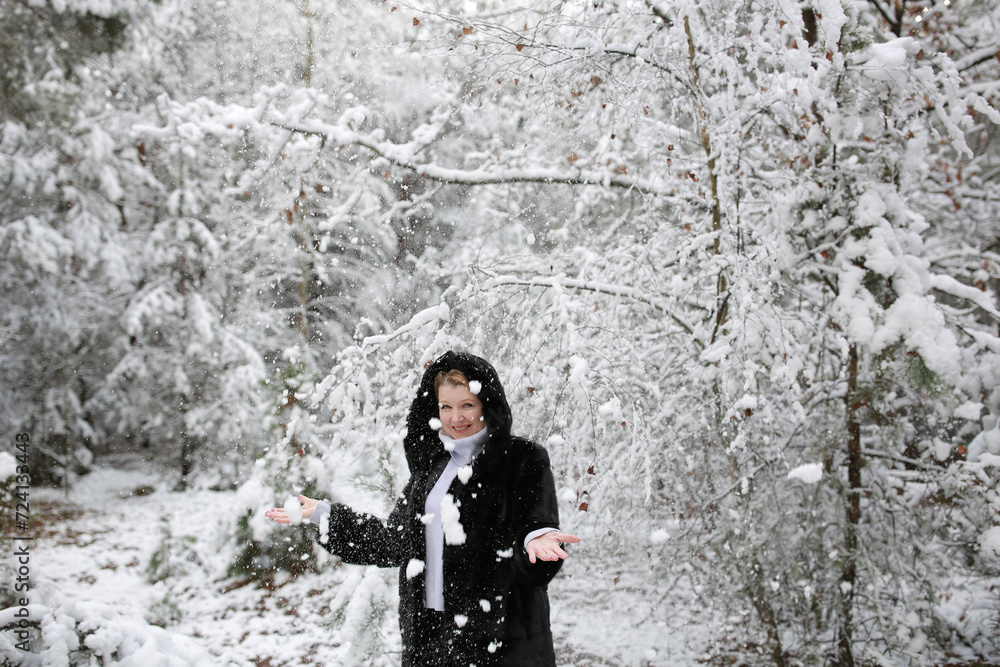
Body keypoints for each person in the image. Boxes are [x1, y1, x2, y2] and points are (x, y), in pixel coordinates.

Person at [265, 350, 580, 666]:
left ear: (488, 405)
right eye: (446, 407)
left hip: (501, 643)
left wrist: (537, 536)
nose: (456, 418)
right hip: (430, 644)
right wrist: (325, 515)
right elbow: (395, 542)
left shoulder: (522, 459)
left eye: (467, 405)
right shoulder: (432, 471)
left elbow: (533, 518)